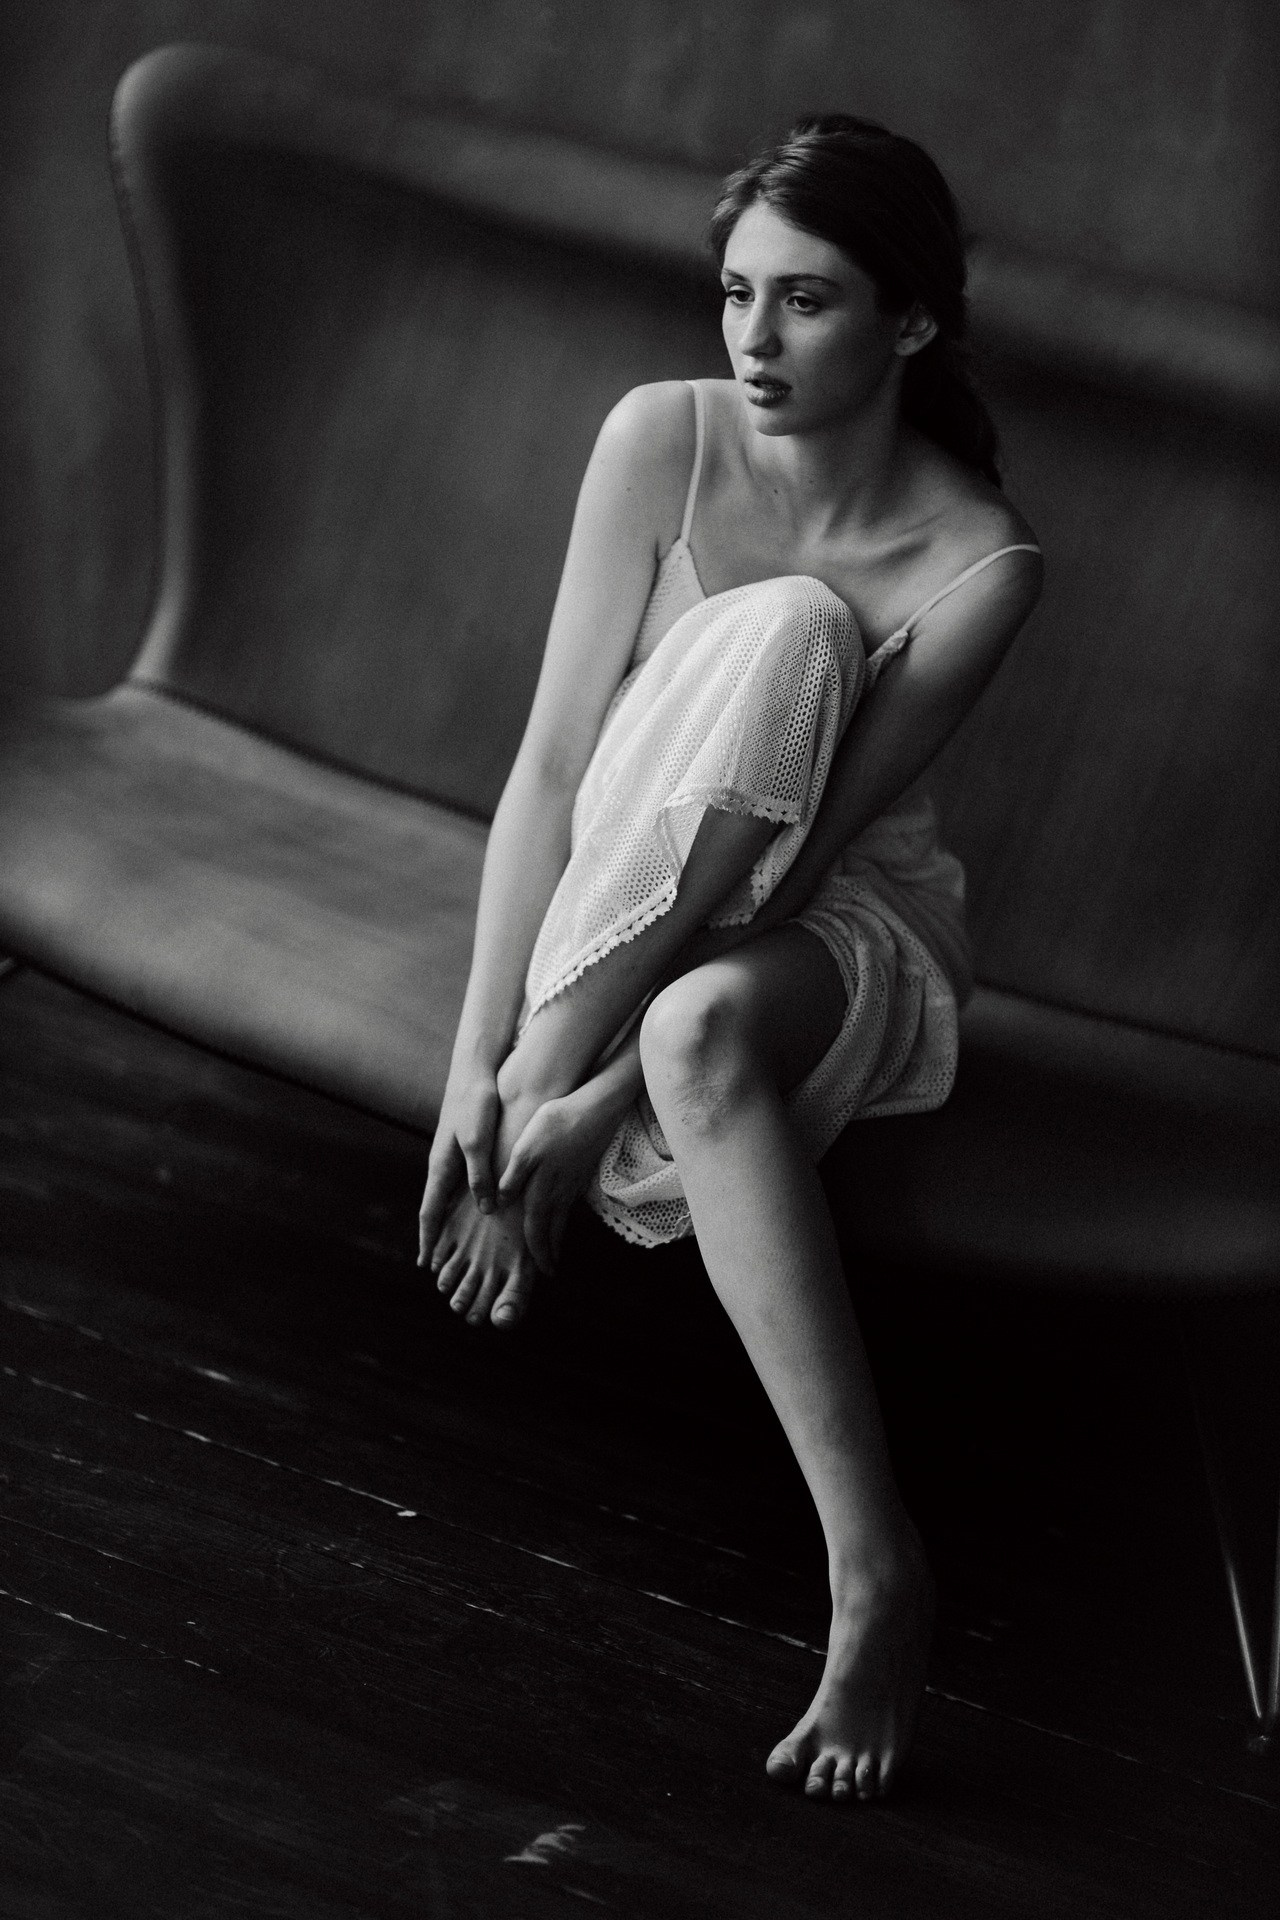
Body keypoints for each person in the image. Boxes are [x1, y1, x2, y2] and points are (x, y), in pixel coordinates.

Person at [417, 113, 1042, 1804]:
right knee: (768, 648)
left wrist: (588, 1101)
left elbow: (797, 868)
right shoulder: (659, 437)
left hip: (842, 925)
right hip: (621, 879)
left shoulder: (981, 563)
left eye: (807, 301)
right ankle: (539, 1090)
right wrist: (480, 1067)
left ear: (913, 319)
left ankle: (874, 1571)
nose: (754, 341)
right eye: (737, 293)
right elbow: (554, 766)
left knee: (790, 647)